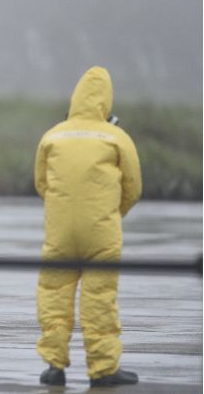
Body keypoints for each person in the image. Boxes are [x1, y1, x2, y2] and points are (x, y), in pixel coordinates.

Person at [34, 66, 142, 387]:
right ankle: (103, 369)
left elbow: (42, 184)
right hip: (101, 232)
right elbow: (133, 188)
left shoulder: (53, 135)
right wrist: (109, 213)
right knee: (100, 297)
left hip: (59, 233)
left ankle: (54, 365)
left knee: (54, 293)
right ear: (106, 101)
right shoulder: (117, 137)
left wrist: (64, 210)